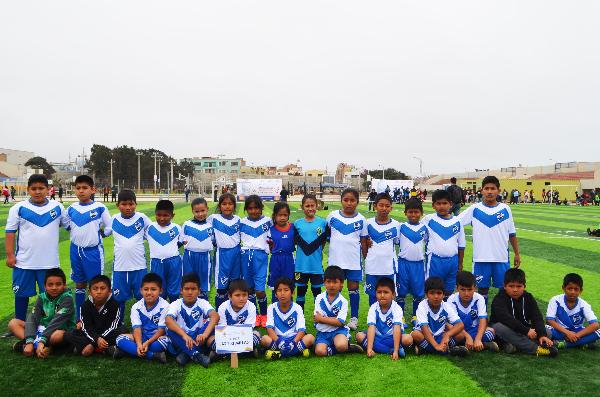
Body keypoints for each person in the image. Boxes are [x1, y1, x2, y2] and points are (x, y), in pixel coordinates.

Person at [5, 174, 68, 336]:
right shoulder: (18, 208)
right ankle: (18, 325)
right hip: (24, 263)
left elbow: (69, 226)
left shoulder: (57, 207)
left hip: (49, 264)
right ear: (28, 190)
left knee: (52, 297)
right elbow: (10, 232)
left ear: (48, 189)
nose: (38, 192)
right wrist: (10, 255)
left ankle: (52, 326)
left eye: (41, 188)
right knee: (21, 295)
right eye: (34, 189)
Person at [458, 176, 520, 306]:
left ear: (499, 190)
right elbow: (456, 223)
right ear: (482, 190)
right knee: (482, 291)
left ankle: (501, 317)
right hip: (481, 258)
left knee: (503, 290)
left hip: (501, 258)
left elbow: (512, 233)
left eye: (493, 188)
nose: (490, 191)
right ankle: (483, 318)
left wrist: (517, 253)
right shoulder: (475, 209)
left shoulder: (505, 209)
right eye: (487, 188)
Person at [65, 175, 112, 321]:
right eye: (78, 188)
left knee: (97, 285)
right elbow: (66, 225)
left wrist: (103, 234)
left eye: (85, 188)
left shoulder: (99, 207)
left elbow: (109, 226)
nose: (81, 191)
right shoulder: (71, 208)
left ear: (93, 189)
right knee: (79, 283)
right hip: (75, 250)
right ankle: (80, 317)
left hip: (93, 252)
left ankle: (97, 317)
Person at [490, 268, 558, 357]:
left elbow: (536, 316)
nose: (515, 290)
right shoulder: (499, 299)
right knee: (498, 327)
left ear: (524, 286)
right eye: (511, 286)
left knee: (547, 332)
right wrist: (526, 331)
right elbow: (506, 319)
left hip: (522, 330)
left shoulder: (528, 297)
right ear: (504, 286)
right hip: (505, 330)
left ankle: (513, 345)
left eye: (519, 286)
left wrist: (542, 335)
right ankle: (536, 349)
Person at [326, 188, 368, 330]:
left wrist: (365, 258)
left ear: (357, 202)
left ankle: (354, 318)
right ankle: (333, 316)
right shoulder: (332, 216)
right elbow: (327, 235)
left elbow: (363, 242)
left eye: (352, 200)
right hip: (336, 261)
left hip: (353, 261)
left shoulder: (361, 220)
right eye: (346, 200)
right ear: (341, 200)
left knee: (353, 288)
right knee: (334, 288)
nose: (349, 203)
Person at [10, 268, 76, 357]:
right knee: (13, 323)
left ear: (64, 285)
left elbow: (57, 322)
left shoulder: (67, 299)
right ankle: (38, 347)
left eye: (58, 284)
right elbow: (33, 318)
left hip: (59, 330)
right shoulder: (42, 297)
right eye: (50, 284)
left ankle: (31, 346)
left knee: (57, 335)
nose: (54, 287)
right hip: (42, 330)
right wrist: (29, 341)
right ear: (45, 286)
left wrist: (42, 340)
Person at [110, 190, 151, 317]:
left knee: (142, 298)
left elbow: (154, 232)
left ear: (136, 204)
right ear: (118, 205)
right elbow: (100, 231)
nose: (128, 207)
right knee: (118, 299)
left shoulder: (142, 218)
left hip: (139, 266)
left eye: (131, 204)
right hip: (120, 267)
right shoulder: (113, 219)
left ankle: (144, 323)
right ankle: (118, 324)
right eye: (124, 204)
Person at [113, 273, 170, 363]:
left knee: (167, 341)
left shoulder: (165, 306)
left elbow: (161, 331)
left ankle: (128, 351)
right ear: (141, 290)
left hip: (157, 338)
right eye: (146, 289)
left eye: (153, 289)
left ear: (161, 290)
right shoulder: (136, 307)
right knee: (119, 339)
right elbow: (137, 328)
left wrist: (147, 343)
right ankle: (153, 356)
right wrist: (139, 344)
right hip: (141, 337)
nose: (149, 292)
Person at [64, 275, 128, 356]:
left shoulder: (114, 304)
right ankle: (105, 349)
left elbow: (112, 327)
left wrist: (94, 342)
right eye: (95, 289)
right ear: (89, 292)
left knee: (123, 330)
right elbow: (86, 328)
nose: (99, 292)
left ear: (109, 291)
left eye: (102, 288)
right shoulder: (85, 306)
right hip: (92, 334)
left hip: (108, 334)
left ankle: (87, 347)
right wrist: (97, 339)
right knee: (68, 334)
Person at [166, 273, 218, 367]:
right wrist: (185, 336)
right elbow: (168, 320)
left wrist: (204, 334)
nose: (190, 292)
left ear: (199, 291)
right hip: (183, 339)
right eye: (186, 289)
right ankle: (196, 354)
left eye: (193, 289)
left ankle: (186, 354)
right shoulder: (175, 304)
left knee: (213, 323)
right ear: (181, 291)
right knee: (170, 330)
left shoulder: (202, 303)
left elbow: (215, 316)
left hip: (199, 336)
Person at [355, 277, 413, 360]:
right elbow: (371, 328)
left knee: (408, 339)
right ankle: (389, 350)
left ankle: (391, 348)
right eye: (379, 292)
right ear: (375, 294)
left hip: (392, 337)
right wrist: (369, 349)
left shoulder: (397, 308)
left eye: (386, 292)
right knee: (359, 336)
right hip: (377, 336)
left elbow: (397, 329)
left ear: (393, 295)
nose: (382, 295)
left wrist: (396, 351)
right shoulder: (373, 307)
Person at [422, 189, 465, 298]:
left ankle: (446, 312)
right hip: (435, 261)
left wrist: (460, 263)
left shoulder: (457, 221)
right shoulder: (428, 220)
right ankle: (432, 313)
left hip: (453, 261)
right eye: (438, 203)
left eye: (445, 203)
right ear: (433, 205)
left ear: (450, 204)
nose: (441, 206)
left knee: (449, 291)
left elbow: (461, 245)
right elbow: (416, 233)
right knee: (433, 290)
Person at [410, 277, 468, 356]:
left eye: (439, 293)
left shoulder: (446, 306)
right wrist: (436, 346)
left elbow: (460, 325)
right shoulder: (422, 306)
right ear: (426, 294)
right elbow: (424, 329)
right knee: (415, 334)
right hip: (425, 335)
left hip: (440, 336)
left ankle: (426, 350)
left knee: (460, 335)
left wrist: (448, 335)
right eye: (432, 293)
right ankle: (447, 350)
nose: (436, 296)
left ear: (443, 294)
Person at [313, 265, 363, 356]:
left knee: (341, 346)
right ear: (324, 282)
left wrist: (323, 319)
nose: (331, 285)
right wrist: (332, 320)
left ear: (341, 283)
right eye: (328, 282)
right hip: (323, 332)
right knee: (319, 352)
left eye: (335, 282)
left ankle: (345, 346)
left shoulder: (343, 301)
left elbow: (340, 323)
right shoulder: (319, 298)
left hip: (338, 331)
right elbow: (317, 318)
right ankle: (340, 349)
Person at [239, 195, 272, 327]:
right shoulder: (241, 222)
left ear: (261, 208)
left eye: (256, 208)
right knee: (249, 289)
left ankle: (264, 315)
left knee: (260, 290)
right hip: (245, 256)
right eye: (250, 208)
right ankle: (255, 315)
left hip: (260, 256)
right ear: (246, 209)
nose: (254, 211)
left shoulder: (268, 221)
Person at [261, 277, 314, 359]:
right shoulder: (271, 307)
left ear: (293, 293)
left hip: (294, 339)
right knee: (264, 339)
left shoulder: (297, 308)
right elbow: (269, 329)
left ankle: (278, 354)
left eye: (286, 290)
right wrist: (279, 341)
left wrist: (293, 342)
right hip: (277, 338)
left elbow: (302, 330)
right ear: (275, 294)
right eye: (279, 290)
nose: (282, 293)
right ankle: (297, 352)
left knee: (310, 338)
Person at [447, 271, 499, 352]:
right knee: (453, 335)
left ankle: (464, 346)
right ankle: (483, 345)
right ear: (457, 288)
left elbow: (483, 320)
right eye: (463, 290)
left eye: (470, 289)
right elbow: (454, 324)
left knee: (491, 333)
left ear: (475, 288)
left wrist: (478, 339)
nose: (466, 293)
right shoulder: (451, 299)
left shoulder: (479, 298)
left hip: (473, 330)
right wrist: (468, 337)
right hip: (458, 331)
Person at [362, 193, 399, 306]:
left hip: (389, 268)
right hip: (372, 267)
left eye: (387, 206)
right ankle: (373, 320)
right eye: (381, 205)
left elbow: (399, 242)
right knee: (372, 295)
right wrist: (367, 257)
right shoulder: (367, 223)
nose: (384, 208)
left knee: (390, 295)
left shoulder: (396, 225)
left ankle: (390, 320)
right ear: (375, 206)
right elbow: (363, 242)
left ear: (391, 208)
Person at [545, 273, 600, 349]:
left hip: (577, 332)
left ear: (581, 291)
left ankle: (564, 344)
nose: (572, 292)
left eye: (576, 289)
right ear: (563, 288)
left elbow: (595, 325)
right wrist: (567, 333)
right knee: (543, 328)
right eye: (570, 288)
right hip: (559, 331)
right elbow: (550, 320)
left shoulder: (584, 305)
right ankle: (583, 343)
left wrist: (576, 335)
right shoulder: (555, 300)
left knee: (599, 331)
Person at [293, 194, 328, 310]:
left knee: (317, 293)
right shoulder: (297, 224)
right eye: (307, 206)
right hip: (301, 266)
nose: (310, 208)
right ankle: (300, 319)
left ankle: (319, 319)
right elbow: (295, 241)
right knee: (300, 293)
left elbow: (323, 242)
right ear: (302, 207)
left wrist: (317, 251)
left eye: (312, 205)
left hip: (316, 266)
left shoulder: (323, 223)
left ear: (317, 206)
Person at [208, 193, 241, 310]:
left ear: (234, 206)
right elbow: (207, 232)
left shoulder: (238, 220)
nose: (227, 206)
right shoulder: (214, 218)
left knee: (234, 287)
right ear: (219, 206)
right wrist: (213, 242)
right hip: (221, 255)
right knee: (221, 288)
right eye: (224, 204)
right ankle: (220, 314)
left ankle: (233, 312)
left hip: (236, 255)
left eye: (230, 204)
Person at [396, 198, 428, 321]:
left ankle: (416, 316)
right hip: (403, 263)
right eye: (410, 212)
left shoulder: (425, 228)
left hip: (419, 264)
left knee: (418, 292)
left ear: (421, 213)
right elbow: (395, 241)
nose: (413, 215)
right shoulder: (401, 227)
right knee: (401, 291)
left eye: (416, 212)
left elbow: (428, 242)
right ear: (405, 213)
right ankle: (400, 317)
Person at [146, 200, 183, 302]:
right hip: (156, 262)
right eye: (159, 215)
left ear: (172, 215)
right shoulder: (149, 228)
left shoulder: (177, 228)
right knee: (158, 289)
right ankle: (161, 313)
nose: (162, 218)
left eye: (166, 215)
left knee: (174, 290)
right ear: (155, 214)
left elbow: (180, 243)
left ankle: (174, 311)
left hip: (174, 262)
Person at [216, 279, 261, 357]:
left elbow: (249, 328)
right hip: (227, 337)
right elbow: (222, 328)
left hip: (244, 336)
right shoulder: (223, 307)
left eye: (244, 295)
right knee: (211, 340)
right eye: (237, 295)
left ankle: (223, 354)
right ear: (230, 296)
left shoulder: (251, 306)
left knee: (257, 335)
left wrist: (238, 337)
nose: (241, 298)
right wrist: (232, 337)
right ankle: (247, 353)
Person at [182, 197, 213, 301]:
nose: (200, 214)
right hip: (189, 257)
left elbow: (214, 240)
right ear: (192, 211)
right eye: (197, 211)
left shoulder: (211, 225)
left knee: (203, 284)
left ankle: (204, 308)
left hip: (205, 257)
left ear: (207, 209)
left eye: (203, 211)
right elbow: (180, 240)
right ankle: (187, 305)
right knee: (188, 281)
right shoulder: (187, 224)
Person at [268, 202, 296, 307]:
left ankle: (289, 309)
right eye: (280, 215)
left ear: (288, 215)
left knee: (288, 284)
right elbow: (269, 245)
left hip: (289, 259)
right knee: (276, 285)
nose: (282, 217)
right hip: (275, 260)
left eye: (285, 215)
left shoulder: (293, 228)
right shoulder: (271, 230)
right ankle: (274, 309)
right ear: (275, 216)